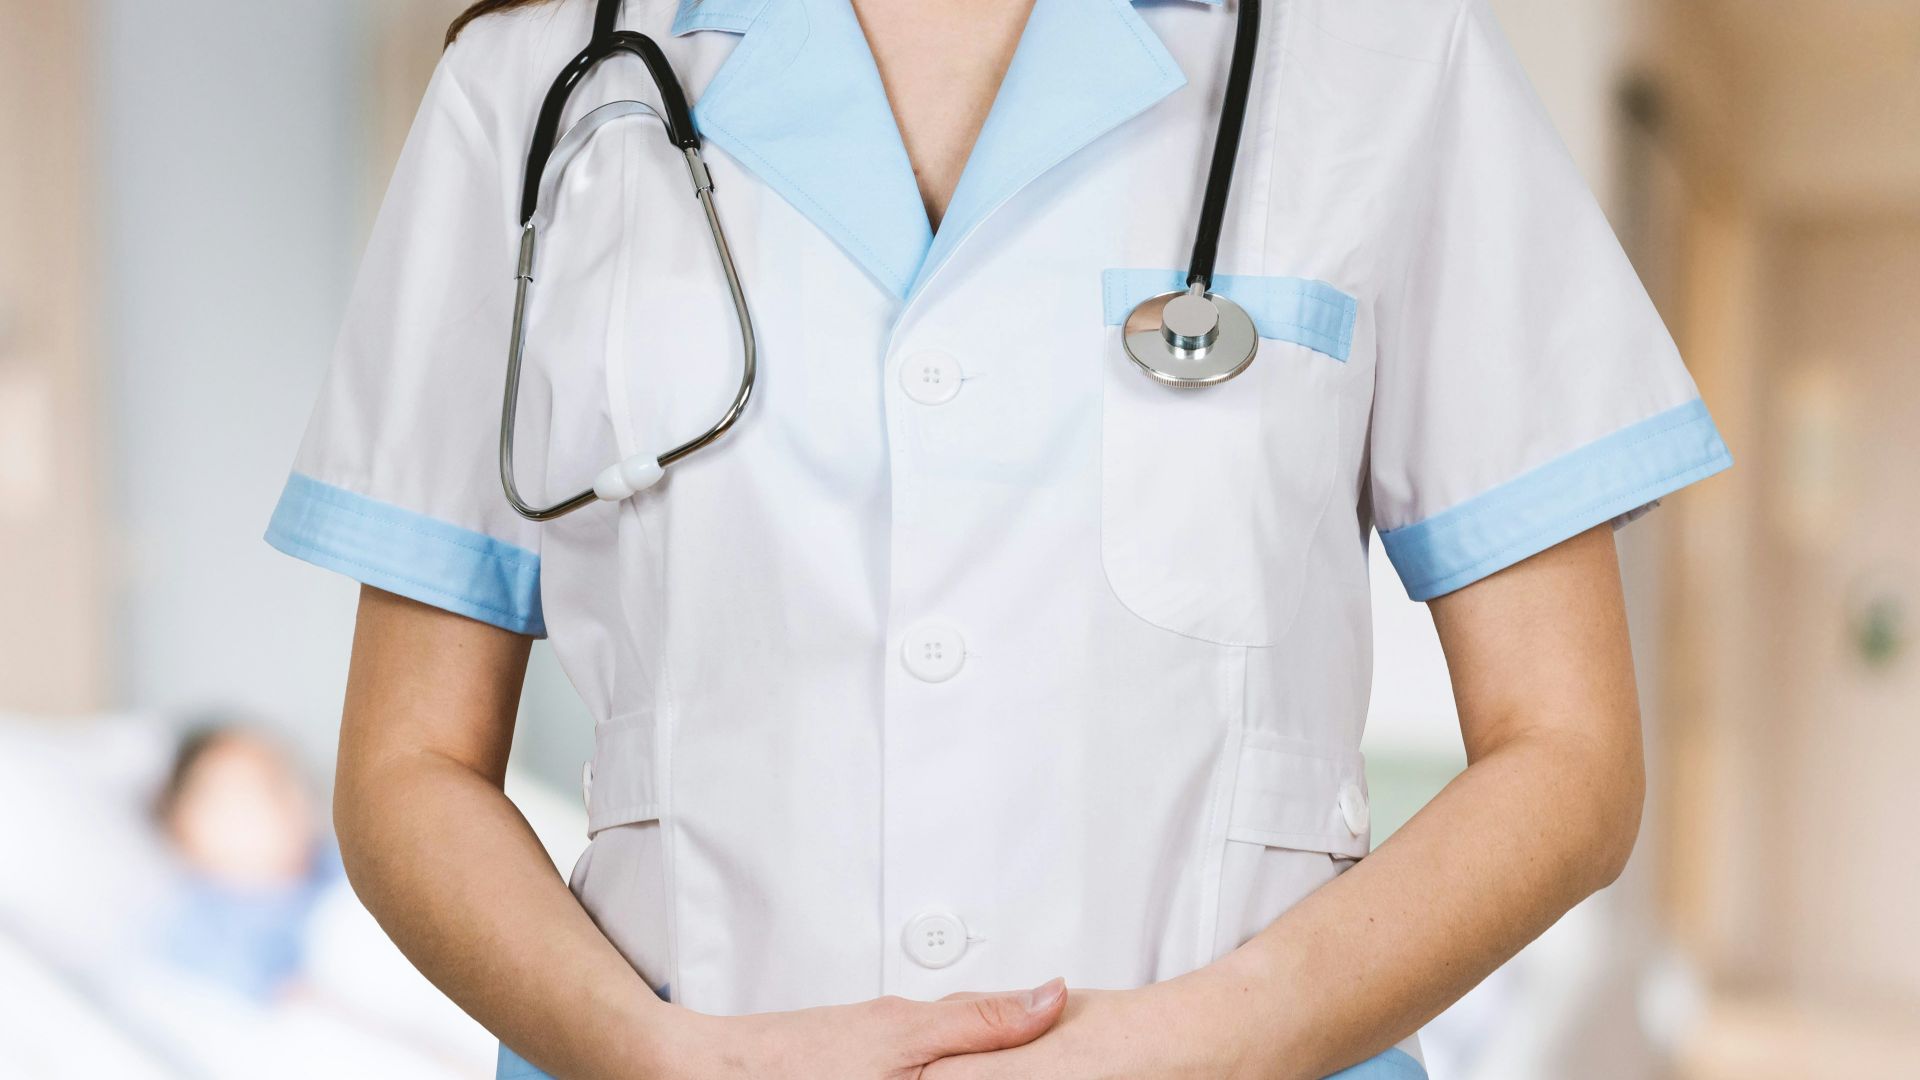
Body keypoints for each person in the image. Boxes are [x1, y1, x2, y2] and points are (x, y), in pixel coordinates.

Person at [263, 0, 1732, 1076]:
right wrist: (659, 1061)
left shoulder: (1383, 61)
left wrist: (1219, 1043)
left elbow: (1570, 760)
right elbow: (408, 772)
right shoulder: (532, 90)